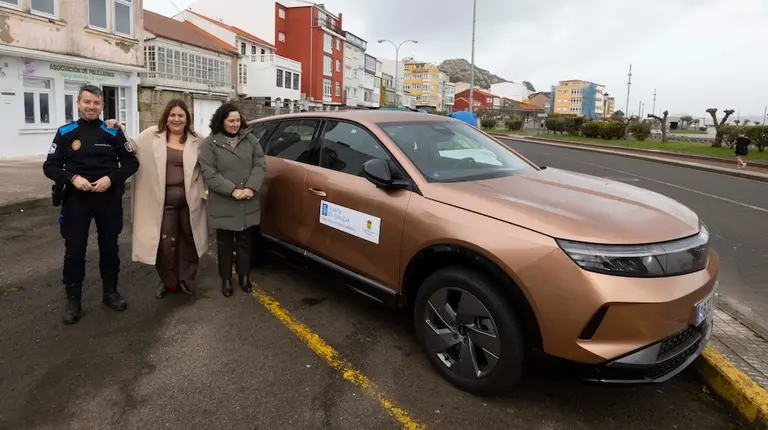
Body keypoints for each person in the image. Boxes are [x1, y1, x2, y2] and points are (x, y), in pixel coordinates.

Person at [42, 84, 139, 325]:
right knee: (75, 250)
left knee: (109, 246)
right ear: (78, 103)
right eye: (87, 102)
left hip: (107, 198)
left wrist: (111, 178)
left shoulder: (112, 132)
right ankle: (73, 302)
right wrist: (73, 178)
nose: (91, 107)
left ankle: (110, 293)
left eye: (96, 103)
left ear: (102, 106)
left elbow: (131, 163)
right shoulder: (65, 133)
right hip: (77, 199)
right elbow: (50, 166)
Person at [107, 100, 209, 299]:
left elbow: (210, 165)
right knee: (165, 243)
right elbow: (129, 148)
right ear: (166, 117)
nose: (176, 119)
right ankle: (168, 281)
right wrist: (118, 129)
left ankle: (182, 279)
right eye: (173, 115)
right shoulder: (151, 135)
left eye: (181, 115)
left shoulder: (197, 140)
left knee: (188, 241)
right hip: (163, 202)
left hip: (190, 202)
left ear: (187, 118)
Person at [198, 104, 267, 297]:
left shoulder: (250, 139)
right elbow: (209, 173)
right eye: (231, 121)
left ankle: (244, 276)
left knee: (245, 241)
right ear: (222, 121)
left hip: (248, 199)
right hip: (225, 201)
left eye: (238, 120)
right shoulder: (210, 144)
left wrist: (251, 187)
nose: (235, 124)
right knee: (225, 243)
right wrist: (233, 191)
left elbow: (260, 164)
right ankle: (226, 279)